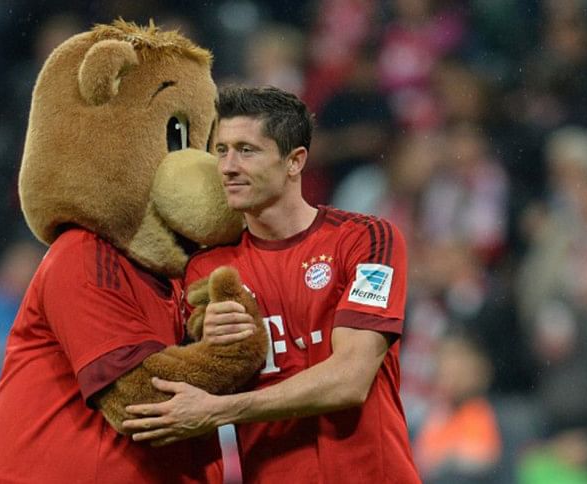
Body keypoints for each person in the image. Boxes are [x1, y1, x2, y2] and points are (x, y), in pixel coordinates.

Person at [123, 85, 420, 482]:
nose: (227, 167)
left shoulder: (366, 239)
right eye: (221, 150)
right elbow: (198, 372)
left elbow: (350, 379)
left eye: (246, 150)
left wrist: (218, 410)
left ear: (294, 161)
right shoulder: (206, 270)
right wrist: (207, 345)